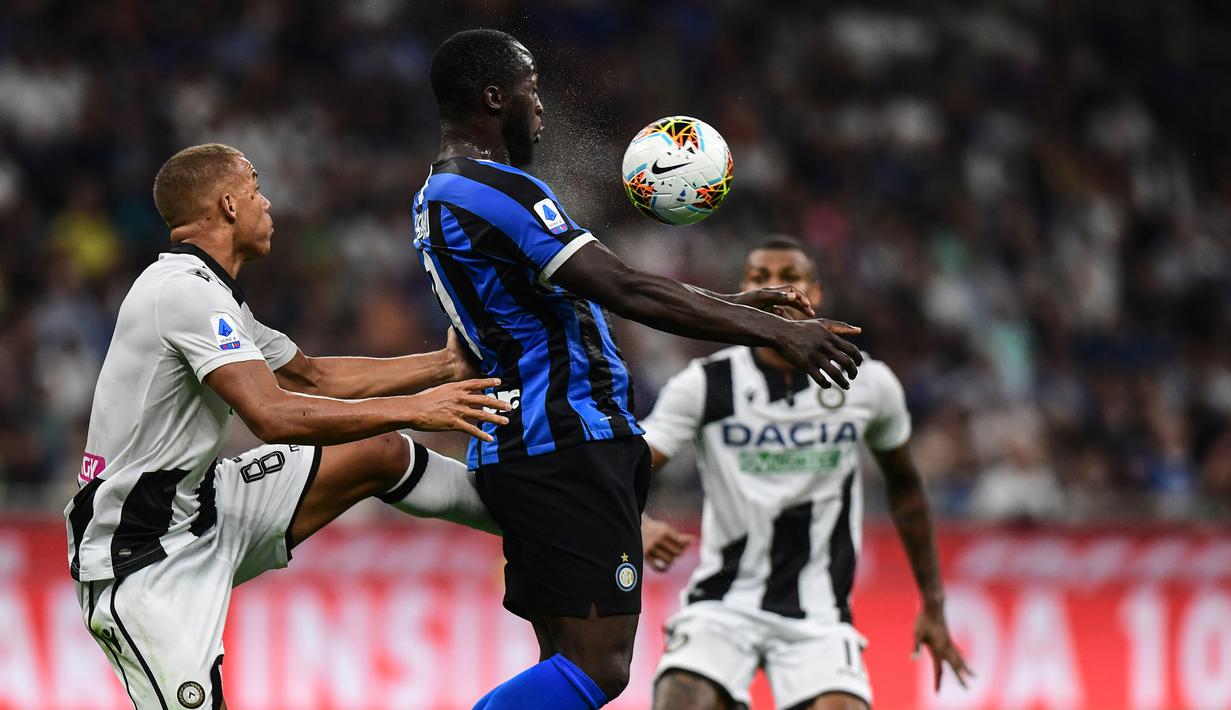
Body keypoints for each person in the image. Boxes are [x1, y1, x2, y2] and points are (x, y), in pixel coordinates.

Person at [416, 30, 864, 710]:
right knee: (599, 669)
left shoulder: (441, 193)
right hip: (564, 445)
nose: (540, 107)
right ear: (492, 97)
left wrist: (731, 304)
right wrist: (775, 331)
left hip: (534, 445)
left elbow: (600, 288)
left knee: (565, 659)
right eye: (531, 90)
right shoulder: (495, 190)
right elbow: (624, 289)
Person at [66, 143, 513, 710]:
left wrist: (444, 365)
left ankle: (527, 520)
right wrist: (419, 407)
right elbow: (273, 416)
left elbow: (312, 376)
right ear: (229, 204)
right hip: (142, 558)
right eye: (256, 189)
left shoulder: (216, 296)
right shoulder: (181, 293)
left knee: (377, 451)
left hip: (206, 507)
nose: (267, 202)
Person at [640, 236, 973, 710]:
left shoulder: (867, 382)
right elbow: (628, 466)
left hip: (819, 614)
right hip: (721, 605)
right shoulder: (704, 383)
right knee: (679, 699)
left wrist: (934, 605)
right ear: (744, 293)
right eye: (759, 279)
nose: (775, 287)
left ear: (814, 293)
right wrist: (636, 521)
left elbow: (905, 487)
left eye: (789, 278)